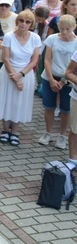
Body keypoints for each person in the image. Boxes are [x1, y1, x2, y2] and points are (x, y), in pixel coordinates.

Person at [0, 10, 42, 147]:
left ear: (31, 24)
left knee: (20, 102)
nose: (24, 24)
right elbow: (5, 58)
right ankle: (5, 130)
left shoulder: (35, 38)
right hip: (8, 73)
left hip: (25, 74)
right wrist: (15, 77)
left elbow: (34, 61)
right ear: (17, 22)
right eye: (21, 21)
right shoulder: (9, 36)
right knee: (6, 100)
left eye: (27, 22)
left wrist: (21, 75)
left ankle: (15, 131)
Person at [37, 14, 77, 150]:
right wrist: (51, 79)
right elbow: (47, 60)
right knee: (49, 106)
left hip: (68, 80)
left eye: (68, 29)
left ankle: (62, 135)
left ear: (73, 27)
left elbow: (74, 67)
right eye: (62, 29)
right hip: (50, 76)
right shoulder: (52, 38)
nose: (64, 32)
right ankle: (48, 132)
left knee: (66, 109)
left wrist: (63, 81)